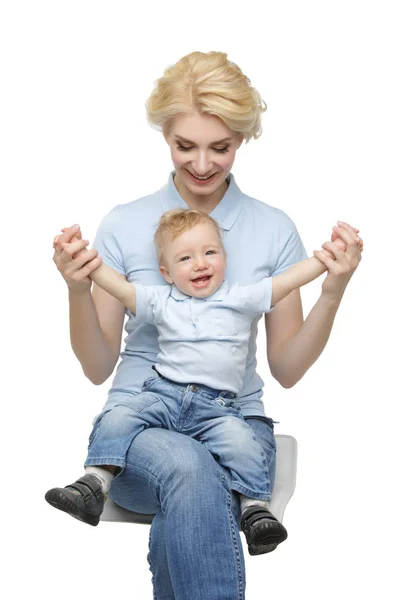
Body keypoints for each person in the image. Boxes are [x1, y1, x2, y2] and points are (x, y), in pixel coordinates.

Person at [49, 51, 362, 599]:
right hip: (143, 428)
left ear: (243, 139)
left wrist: (332, 290)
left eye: (220, 147)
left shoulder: (272, 229)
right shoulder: (125, 225)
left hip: (231, 423)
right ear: (164, 136)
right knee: (192, 467)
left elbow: (287, 368)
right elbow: (97, 366)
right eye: (184, 145)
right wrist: (78, 289)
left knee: (202, 475)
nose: (200, 164)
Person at [46, 207, 340, 555]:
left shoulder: (241, 298)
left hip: (218, 408)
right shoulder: (162, 301)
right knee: (119, 417)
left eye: (210, 252)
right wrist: (84, 260)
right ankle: (94, 483)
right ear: (167, 274)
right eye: (185, 258)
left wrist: (328, 259)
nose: (200, 263)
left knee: (244, 445)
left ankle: (255, 510)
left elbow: (290, 279)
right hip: (164, 395)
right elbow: (119, 288)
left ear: (224, 258)